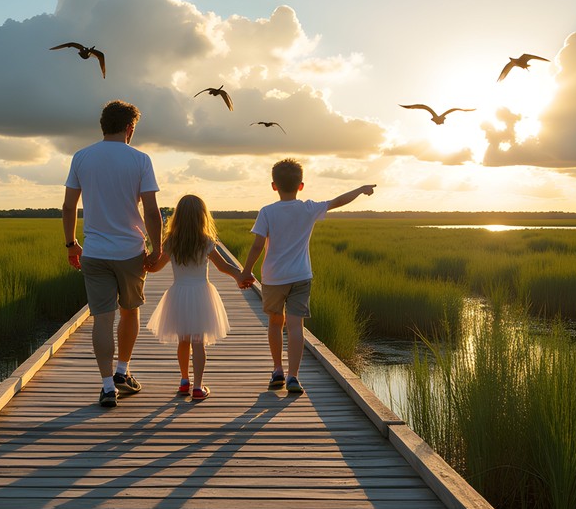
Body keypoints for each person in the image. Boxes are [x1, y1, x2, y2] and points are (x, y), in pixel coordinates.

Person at [241, 159, 375, 394]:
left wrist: (246, 271)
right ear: (300, 186)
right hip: (301, 276)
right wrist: (361, 189)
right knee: (295, 326)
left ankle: (277, 371)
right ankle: (293, 376)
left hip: (273, 278)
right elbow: (338, 201)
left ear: (274, 186)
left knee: (274, 323)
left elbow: (256, 246)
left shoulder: (267, 212)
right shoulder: (308, 208)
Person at [62, 99, 163, 408]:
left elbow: (69, 206)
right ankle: (123, 371)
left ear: (103, 126)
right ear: (130, 128)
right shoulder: (140, 159)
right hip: (131, 251)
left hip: (94, 251)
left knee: (102, 319)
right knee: (130, 311)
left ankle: (107, 387)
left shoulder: (82, 157)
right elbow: (152, 211)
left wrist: (71, 244)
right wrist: (158, 248)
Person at [146, 194, 246, 401]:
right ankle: (198, 387)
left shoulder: (172, 241)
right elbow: (223, 266)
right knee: (198, 342)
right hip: (201, 294)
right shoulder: (206, 241)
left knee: (183, 341)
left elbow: (155, 268)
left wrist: (142, 262)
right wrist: (241, 275)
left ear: (178, 216)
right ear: (202, 216)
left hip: (179, 295)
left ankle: (184, 381)